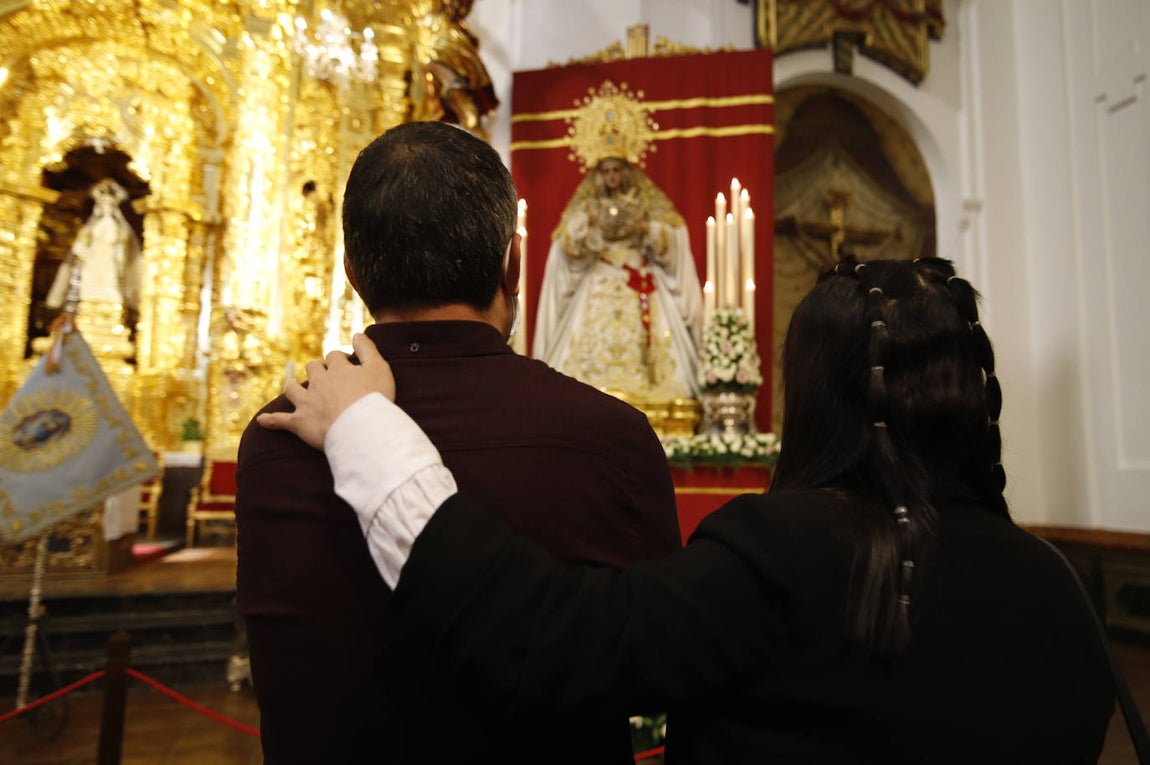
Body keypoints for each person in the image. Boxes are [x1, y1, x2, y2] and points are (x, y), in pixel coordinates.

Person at [261, 257, 1117, 763]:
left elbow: (558, 636)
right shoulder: (1058, 588)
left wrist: (372, 434)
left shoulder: (788, 551)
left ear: (813, 396)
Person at [234, 121, 682, 765]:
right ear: (515, 264)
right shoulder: (611, 437)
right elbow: (652, 670)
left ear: (353, 272)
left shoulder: (276, 441)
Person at [534, 157, 704, 401]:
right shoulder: (590, 206)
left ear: (626, 173)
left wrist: (646, 229)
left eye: (616, 170)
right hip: (599, 277)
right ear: (600, 175)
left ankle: (649, 386)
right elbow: (567, 245)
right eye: (606, 171)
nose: (612, 176)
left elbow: (671, 236)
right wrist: (586, 224)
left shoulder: (642, 202)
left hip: (638, 277)